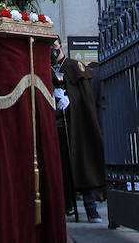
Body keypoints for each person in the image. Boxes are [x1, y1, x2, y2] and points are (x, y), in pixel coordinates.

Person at [52, 40, 104, 223]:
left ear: (60, 46)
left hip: (76, 125)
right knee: (61, 168)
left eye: (54, 45)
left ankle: (91, 208)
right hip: (57, 125)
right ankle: (67, 204)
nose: (52, 50)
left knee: (82, 163)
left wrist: (70, 99)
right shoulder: (46, 69)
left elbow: (84, 96)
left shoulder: (74, 66)